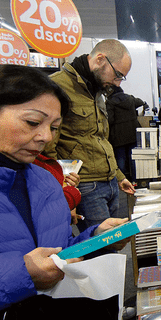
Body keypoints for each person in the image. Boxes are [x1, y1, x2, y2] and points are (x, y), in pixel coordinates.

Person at [0, 64, 129, 320]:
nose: (46, 137)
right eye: (32, 122)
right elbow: (31, 267)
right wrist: (21, 274)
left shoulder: (43, 180)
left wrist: (96, 239)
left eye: (54, 127)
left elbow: (56, 252)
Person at [44, 39, 136, 232]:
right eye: (117, 75)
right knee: (101, 249)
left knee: (113, 243)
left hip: (109, 182)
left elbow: (100, 139)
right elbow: (47, 149)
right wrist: (63, 191)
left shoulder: (96, 90)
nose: (117, 83)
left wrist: (119, 176)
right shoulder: (57, 87)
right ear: (100, 59)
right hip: (86, 185)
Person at [106, 86, 145, 180]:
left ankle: (122, 182)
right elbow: (140, 102)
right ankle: (135, 181)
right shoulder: (130, 99)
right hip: (133, 133)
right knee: (133, 159)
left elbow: (110, 120)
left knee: (121, 160)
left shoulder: (110, 102)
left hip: (118, 135)